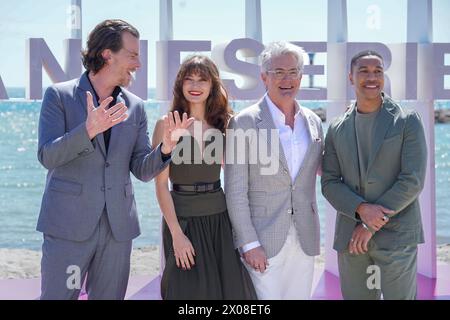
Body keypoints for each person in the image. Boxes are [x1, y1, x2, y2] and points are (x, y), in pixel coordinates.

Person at [36, 19, 193, 300]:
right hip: (68, 228)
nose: (139, 65)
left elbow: (142, 169)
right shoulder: (58, 96)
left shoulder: (135, 107)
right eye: (132, 55)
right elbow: (47, 156)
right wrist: (88, 130)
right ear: (107, 54)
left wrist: (166, 149)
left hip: (118, 231)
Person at [321, 50, 427, 300]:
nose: (372, 77)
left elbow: (412, 180)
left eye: (378, 71)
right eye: (364, 71)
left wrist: (370, 223)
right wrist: (360, 209)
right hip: (352, 239)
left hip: (397, 236)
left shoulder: (407, 120)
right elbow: (329, 182)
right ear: (350, 77)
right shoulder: (336, 127)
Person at [152, 55, 257, 300]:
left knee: (227, 293)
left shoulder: (225, 125)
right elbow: (160, 185)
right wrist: (176, 234)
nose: (195, 86)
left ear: (212, 86)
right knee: (186, 292)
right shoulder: (165, 125)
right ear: (180, 84)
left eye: (202, 80)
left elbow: (239, 176)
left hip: (219, 218)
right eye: (189, 79)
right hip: (183, 219)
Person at [225, 41, 324, 299]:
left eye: (293, 72)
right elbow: (235, 191)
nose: (286, 79)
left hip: (304, 238)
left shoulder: (313, 122)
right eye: (278, 72)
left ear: (301, 77)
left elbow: (324, 171)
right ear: (263, 77)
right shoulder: (244, 122)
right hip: (263, 241)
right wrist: (249, 243)